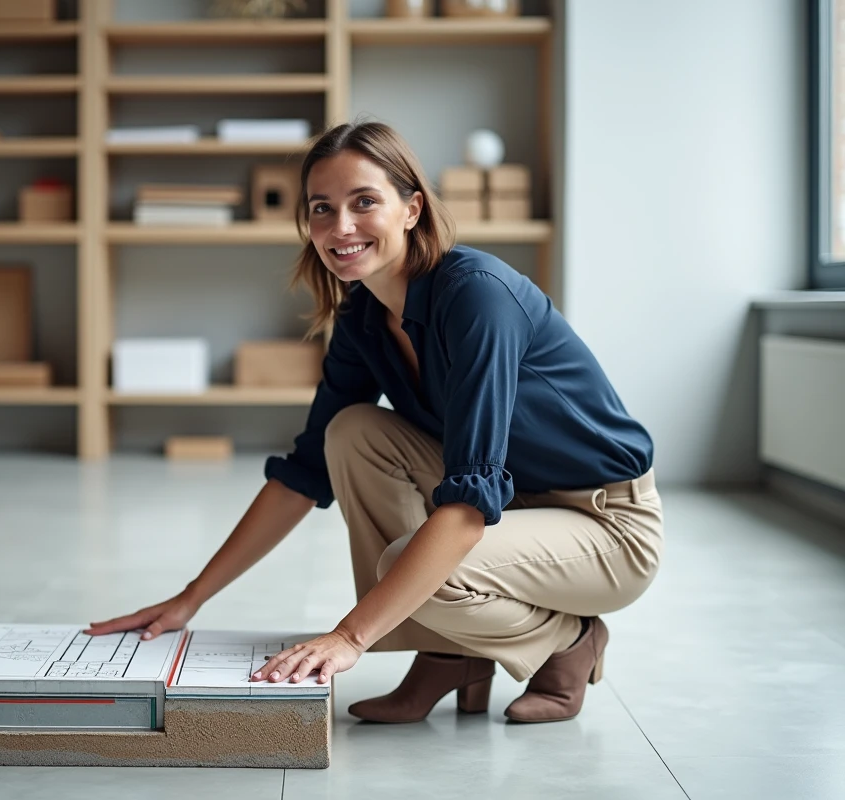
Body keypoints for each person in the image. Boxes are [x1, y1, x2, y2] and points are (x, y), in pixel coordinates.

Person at [87, 121, 662, 725]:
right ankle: (447, 654)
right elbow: (303, 476)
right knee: (353, 432)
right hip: (516, 506)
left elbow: (468, 507)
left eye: (364, 202)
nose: (341, 227)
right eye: (321, 209)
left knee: (413, 564)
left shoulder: (478, 297)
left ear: (412, 208)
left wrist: (350, 638)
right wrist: (189, 601)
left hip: (605, 523)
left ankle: (570, 641)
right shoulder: (363, 320)